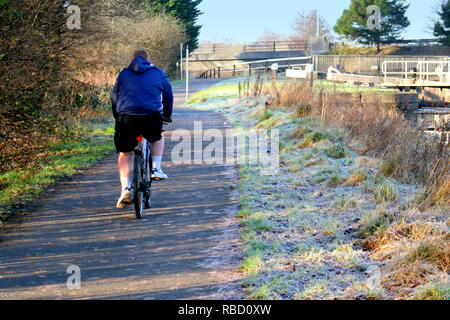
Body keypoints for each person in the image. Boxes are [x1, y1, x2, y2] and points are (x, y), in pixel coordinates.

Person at [111, 49, 173, 209]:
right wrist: (166, 115)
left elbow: (114, 96)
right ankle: (156, 168)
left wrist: (117, 114)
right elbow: (168, 94)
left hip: (126, 117)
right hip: (151, 116)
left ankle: (126, 188)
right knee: (157, 137)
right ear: (148, 59)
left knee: (125, 152)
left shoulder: (123, 73)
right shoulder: (158, 72)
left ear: (132, 59)